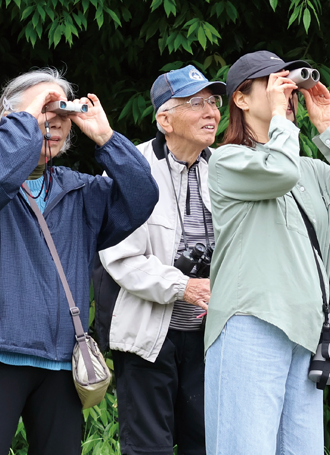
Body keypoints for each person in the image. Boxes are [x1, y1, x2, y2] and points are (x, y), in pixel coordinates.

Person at [0, 68, 158, 455]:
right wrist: (29, 114)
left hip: (63, 359)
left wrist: (106, 139)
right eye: (44, 113)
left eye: (63, 115)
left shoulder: (81, 191)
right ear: (10, 120)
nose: (55, 123)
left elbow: (142, 195)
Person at [203, 51, 330, 454]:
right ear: (241, 99)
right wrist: (283, 123)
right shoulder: (227, 160)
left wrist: (327, 126)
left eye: (289, 84)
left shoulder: (310, 170)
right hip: (251, 319)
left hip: (306, 331)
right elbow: (278, 173)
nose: (286, 91)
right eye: (271, 82)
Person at [96, 65, 225, 455]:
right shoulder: (130, 168)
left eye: (214, 102)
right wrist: (183, 286)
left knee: (205, 445)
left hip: (209, 338)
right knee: (147, 448)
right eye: (196, 103)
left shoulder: (225, 169)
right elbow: (119, 256)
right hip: (148, 336)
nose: (211, 112)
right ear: (164, 119)